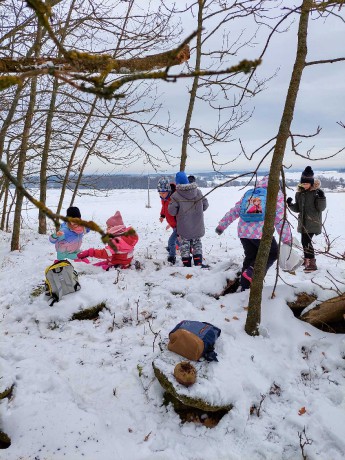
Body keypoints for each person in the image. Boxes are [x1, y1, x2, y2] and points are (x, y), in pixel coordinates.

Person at [215, 176, 292, 291]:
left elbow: (235, 211)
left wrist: (221, 226)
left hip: (243, 232)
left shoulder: (251, 193)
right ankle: (252, 273)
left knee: (251, 257)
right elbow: (280, 219)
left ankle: (245, 287)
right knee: (273, 253)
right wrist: (286, 239)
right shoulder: (276, 196)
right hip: (260, 233)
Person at [287, 166, 326, 272]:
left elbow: (321, 208)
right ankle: (307, 259)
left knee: (306, 241)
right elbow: (298, 208)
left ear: (311, 183)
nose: (304, 185)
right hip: (303, 222)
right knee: (304, 241)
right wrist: (290, 204)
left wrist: (322, 197)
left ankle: (312, 262)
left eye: (307, 183)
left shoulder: (316, 193)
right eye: (303, 183)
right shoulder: (299, 193)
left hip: (313, 222)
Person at [168, 171, 209, 267]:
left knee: (185, 246)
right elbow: (205, 205)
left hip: (184, 227)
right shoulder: (198, 192)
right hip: (197, 225)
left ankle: (187, 265)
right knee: (197, 244)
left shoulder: (176, 195)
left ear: (177, 183)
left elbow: (172, 212)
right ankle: (198, 263)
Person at [157, 177, 178, 265]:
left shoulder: (173, 199)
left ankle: (172, 256)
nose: (161, 195)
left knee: (171, 241)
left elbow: (178, 212)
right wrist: (162, 216)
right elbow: (164, 208)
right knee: (178, 240)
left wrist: (177, 222)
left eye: (163, 193)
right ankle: (175, 248)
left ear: (168, 191)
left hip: (179, 225)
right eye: (160, 193)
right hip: (173, 224)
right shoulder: (164, 199)